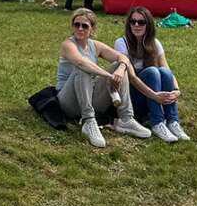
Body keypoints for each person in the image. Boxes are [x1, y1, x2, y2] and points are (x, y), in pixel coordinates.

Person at [55, 8, 152, 147]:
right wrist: (108, 76)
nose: (80, 28)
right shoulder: (68, 45)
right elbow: (81, 62)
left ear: (92, 29)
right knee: (83, 67)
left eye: (85, 26)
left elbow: (122, 57)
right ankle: (89, 121)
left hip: (91, 97)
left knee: (119, 64)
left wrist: (120, 69)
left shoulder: (95, 45)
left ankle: (126, 119)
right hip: (68, 102)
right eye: (77, 25)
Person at [113, 6, 189, 141]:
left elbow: (167, 69)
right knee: (152, 71)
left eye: (141, 22)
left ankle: (172, 121)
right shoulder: (121, 43)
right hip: (133, 95)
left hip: (152, 94)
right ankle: (157, 122)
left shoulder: (154, 43)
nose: (136, 25)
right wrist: (154, 96)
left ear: (148, 25)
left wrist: (177, 90)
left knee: (164, 72)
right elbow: (132, 78)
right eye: (133, 21)